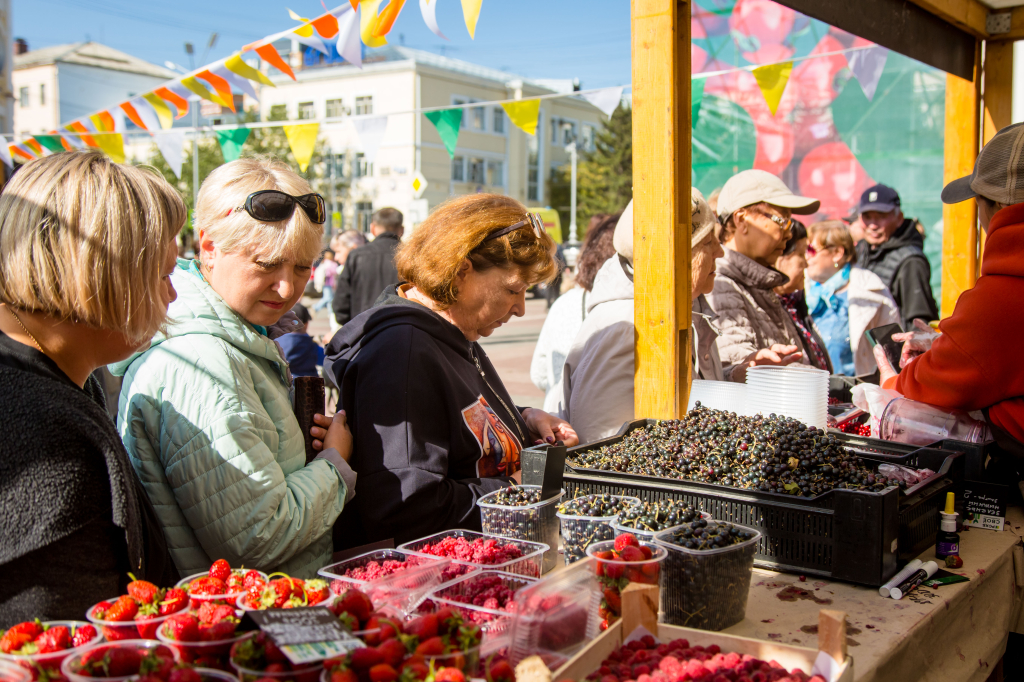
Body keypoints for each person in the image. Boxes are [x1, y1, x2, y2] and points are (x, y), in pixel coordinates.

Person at [112, 158, 355, 578]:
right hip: (242, 624)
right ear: (209, 247)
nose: (286, 287)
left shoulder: (233, 339)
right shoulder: (204, 362)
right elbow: (257, 538)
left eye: (301, 268)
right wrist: (335, 464)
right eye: (265, 264)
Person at [323, 194, 577, 549]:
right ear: (461, 272)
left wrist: (524, 418)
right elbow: (409, 508)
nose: (520, 308)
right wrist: (519, 487)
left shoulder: (450, 331)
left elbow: (450, 423)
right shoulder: (403, 351)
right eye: (513, 290)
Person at [0, 150, 179, 623]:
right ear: (108, 277)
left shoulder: (60, 377)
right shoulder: (40, 430)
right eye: (163, 273)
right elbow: (51, 645)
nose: (172, 294)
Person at [876, 122, 1024, 453]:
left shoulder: (1001, 298)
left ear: (997, 207)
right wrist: (949, 344)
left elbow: (935, 385)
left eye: (979, 203)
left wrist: (891, 381)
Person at [561, 191, 725, 444]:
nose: (720, 252)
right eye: (708, 242)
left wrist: (734, 374)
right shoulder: (626, 329)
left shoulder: (680, 308)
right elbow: (602, 453)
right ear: (674, 254)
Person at [709, 169, 816, 381]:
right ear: (742, 220)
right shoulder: (721, 285)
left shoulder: (757, 282)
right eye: (781, 220)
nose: (788, 233)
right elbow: (735, 369)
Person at [530, 212, 619, 413]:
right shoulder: (631, 313)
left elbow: (539, 374)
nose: (520, 310)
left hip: (557, 422)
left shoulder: (564, 303)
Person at [805, 220, 899, 376]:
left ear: (837, 253)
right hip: (810, 391)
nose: (805, 256)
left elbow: (892, 354)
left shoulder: (872, 291)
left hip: (856, 393)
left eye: (811, 250)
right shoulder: (798, 289)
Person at [853, 184, 939, 330]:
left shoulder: (910, 261)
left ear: (899, 218)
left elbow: (919, 324)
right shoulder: (862, 249)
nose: (873, 225)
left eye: (881, 216)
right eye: (867, 217)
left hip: (894, 349)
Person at [773, 220, 832, 373]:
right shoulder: (769, 304)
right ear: (779, 257)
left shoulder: (793, 302)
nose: (806, 264)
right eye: (800, 254)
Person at [333, 208, 404, 326]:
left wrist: (354, 328)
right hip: (401, 331)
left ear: (372, 228)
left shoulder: (357, 255)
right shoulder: (411, 257)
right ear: (401, 230)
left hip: (363, 331)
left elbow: (341, 305)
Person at [278, 303, 325, 378]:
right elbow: (325, 360)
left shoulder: (276, 341)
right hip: (306, 385)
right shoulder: (311, 346)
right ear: (306, 324)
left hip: (281, 384)